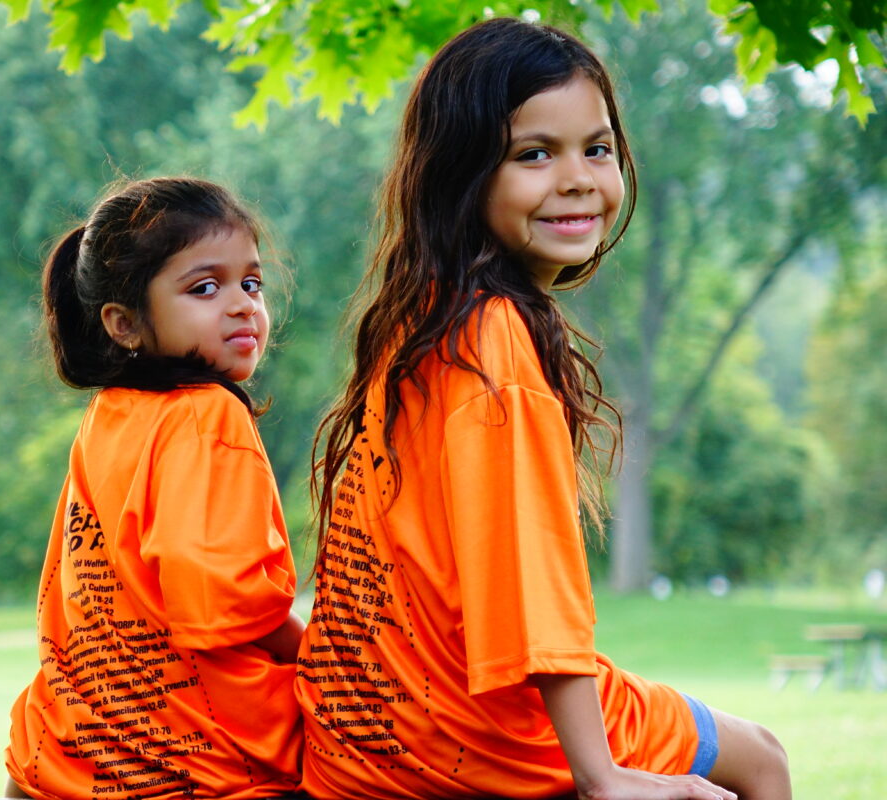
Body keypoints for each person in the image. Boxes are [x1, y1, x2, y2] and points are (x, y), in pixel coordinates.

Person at [298, 18, 791, 800]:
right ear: (462, 176)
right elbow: (528, 587)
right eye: (534, 154)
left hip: (364, 735)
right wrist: (602, 779)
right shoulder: (493, 349)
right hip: (469, 733)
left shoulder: (420, 320)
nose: (578, 178)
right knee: (761, 760)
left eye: (596, 148)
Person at [5, 177, 304, 800]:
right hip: (199, 766)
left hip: (61, 758)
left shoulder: (109, 415)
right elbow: (219, 596)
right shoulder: (208, 414)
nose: (243, 304)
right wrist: (316, 653)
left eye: (251, 282)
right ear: (124, 323)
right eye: (204, 287)